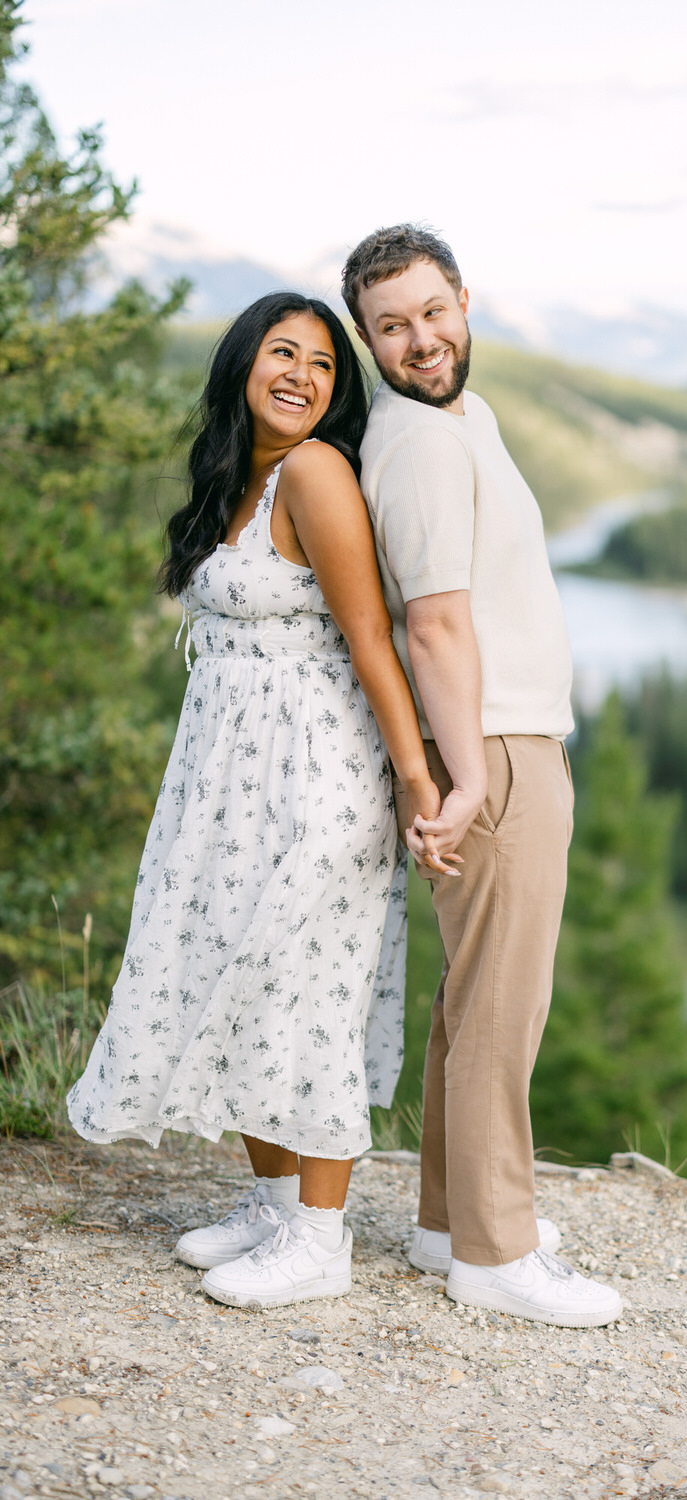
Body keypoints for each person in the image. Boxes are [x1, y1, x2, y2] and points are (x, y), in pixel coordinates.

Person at [67, 292, 446, 1310]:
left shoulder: (317, 472)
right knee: (240, 979)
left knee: (305, 994)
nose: (303, 376)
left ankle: (320, 1240)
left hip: (314, 774)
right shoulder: (240, 476)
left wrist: (415, 785)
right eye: (284, 353)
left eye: (324, 365)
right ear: (242, 363)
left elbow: (371, 639)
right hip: (228, 783)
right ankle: (273, 1203)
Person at [341, 226, 623, 1327]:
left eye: (429, 312)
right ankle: (497, 1256)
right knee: (506, 1005)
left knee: (475, 1000)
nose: (417, 340)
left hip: (507, 738)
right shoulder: (413, 442)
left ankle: (448, 1221)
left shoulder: (468, 417)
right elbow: (435, 621)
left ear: (464, 299)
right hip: (492, 750)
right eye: (390, 327)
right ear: (368, 339)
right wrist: (460, 780)